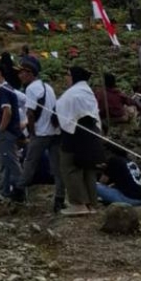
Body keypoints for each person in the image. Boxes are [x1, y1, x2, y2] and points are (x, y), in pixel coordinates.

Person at [55, 66, 106, 216]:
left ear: (74, 77)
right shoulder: (87, 92)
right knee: (88, 169)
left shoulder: (72, 94)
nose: (66, 77)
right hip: (91, 135)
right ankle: (91, 202)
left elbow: (60, 114)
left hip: (74, 135)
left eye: (68, 75)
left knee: (70, 168)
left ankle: (78, 204)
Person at [17, 57, 64, 211]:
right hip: (55, 132)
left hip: (41, 132)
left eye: (22, 72)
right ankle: (59, 199)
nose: (20, 75)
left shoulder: (31, 89)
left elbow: (30, 113)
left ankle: (18, 192)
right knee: (57, 168)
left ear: (30, 73)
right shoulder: (47, 87)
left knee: (30, 162)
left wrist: (32, 134)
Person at [0, 60, 25, 203]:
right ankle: (5, 191)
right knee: (5, 161)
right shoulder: (7, 89)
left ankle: (20, 190)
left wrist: (1, 129)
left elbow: (7, 111)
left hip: (7, 132)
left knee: (11, 161)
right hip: (12, 131)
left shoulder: (4, 89)